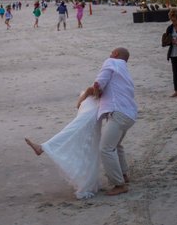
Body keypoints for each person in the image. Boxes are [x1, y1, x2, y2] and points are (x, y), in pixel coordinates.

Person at [25, 47, 136, 198]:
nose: (109, 54)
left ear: (115, 55)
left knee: (105, 148)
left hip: (118, 113)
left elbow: (98, 85)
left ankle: (119, 184)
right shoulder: (124, 71)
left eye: (111, 52)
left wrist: (87, 95)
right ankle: (123, 175)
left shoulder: (111, 63)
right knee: (115, 145)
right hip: (129, 114)